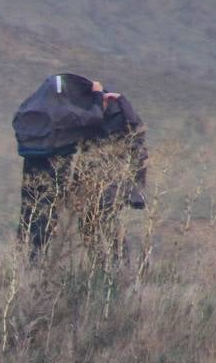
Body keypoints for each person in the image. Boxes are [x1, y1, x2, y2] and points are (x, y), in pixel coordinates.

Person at [12, 73, 147, 258]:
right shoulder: (82, 117)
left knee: (37, 221)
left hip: (66, 178)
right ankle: (111, 272)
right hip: (95, 178)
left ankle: (29, 267)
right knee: (94, 226)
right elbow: (133, 147)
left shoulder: (40, 113)